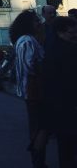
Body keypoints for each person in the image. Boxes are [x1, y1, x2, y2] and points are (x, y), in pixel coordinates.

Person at [10, 9, 47, 167]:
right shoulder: (26, 41)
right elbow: (29, 67)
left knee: (41, 125)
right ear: (27, 24)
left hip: (34, 89)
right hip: (34, 89)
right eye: (36, 21)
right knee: (40, 126)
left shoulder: (31, 39)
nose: (39, 23)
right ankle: (37, 160)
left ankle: (38, 157)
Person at [43, 16, 77, 167]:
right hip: (68, 101)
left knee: (65, 143)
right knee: (69, 141)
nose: (74, 35)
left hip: (58, 103)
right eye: (72, 33)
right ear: (61, 32)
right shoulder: (68, 50)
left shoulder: (51, 49)